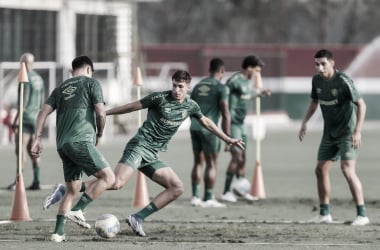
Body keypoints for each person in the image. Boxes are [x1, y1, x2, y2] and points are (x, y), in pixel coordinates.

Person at [43, 69, 244, 237]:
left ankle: (137, 217)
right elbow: (133, 107)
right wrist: (107, 112)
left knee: (176, 187)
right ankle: (74, 202)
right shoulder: (159, 98)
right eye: (174, 85)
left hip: (152, 154)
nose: (176, 89)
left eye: (180, 86)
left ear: (188, 87)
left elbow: (207, 122)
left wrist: (228, 138)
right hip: (139, 146)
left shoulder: (191, 106)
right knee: (116, 182)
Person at [30, 55, 115, 242]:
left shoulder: (60, 88)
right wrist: (100, 133)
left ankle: (58, 233)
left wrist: (37, 138)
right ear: (89, 70)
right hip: (81, 141)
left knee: (72, 189)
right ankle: (78, 210)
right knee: (109, 177)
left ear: (72, 70)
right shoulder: (92, 84)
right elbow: (101, 112)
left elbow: (43, 111)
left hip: (63, 145)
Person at [298, 49, 369, 226]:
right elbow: (314, 102)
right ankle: (324, 214)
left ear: (332, 63)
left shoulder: (343, 81)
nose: (319, 68)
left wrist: (357, 131)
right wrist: (305, 122)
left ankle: (362, 215)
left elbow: (362, 105)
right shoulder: (316, 81)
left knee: (347, 170)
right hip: (329, 134)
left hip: (347, 133)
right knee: (320, 169)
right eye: (317, 64)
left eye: (323, 64)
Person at [220, 55, 270, 203]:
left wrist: (261, 93)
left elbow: (248, 94)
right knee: (237, 156)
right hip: (233, 123)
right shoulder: (235, 81)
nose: (257, 73)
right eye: (256, 70)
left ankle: (241, 188)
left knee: (244, 158)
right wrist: (226, 132)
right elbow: (223, 97)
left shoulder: (249, 82)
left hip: (241, 124)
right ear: (249, 67)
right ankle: (226, 191)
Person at [189, 58, 230, 208]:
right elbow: (226, 113)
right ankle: (208, 198)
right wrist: (227, 137)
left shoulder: (198, 85)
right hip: (210, 129)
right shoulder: (221, 88)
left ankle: (195, 196)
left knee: (198, 162)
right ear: (222, 71)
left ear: (209, 70)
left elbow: (190, 107)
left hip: (194, 127)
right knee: (211, 164)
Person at [7, 53, 45, 190]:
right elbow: (42, 102)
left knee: (21, 150)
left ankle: (18, 181)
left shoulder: (24, 78)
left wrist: (16, 121)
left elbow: (24, 102)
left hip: (26, 119)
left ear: (25, 63)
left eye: (22, 62)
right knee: (33, 150)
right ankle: (36, 181)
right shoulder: (39, 79)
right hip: (36, 119)